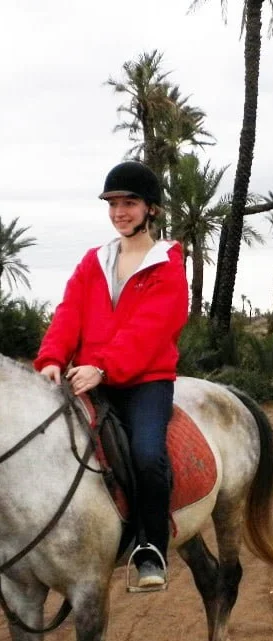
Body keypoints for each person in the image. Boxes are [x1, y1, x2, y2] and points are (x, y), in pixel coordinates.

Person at [34, 161, 189, 590]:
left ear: (151, 210)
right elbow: (70, 312)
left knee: (145, 454)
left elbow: (153, 329)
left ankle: (150, 548)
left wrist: (104, 367)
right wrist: (52, 357)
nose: (120, 211)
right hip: (85, 375)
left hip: (144, 382)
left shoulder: (167, 264)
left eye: (130, 203)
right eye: (114, 204)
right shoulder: (94, 261)